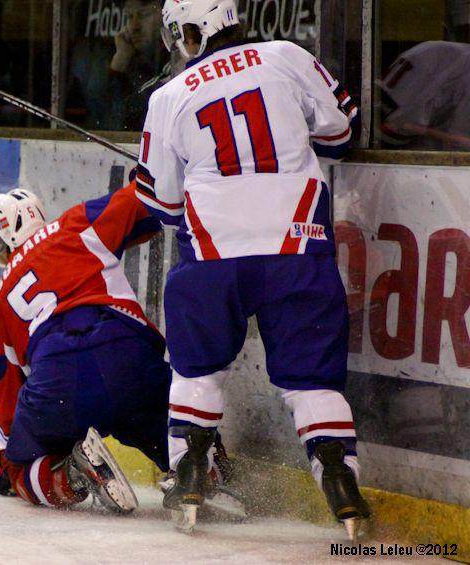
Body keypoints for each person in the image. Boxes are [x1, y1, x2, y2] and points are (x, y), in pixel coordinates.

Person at [135, 0, 370, 538]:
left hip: (213, 255)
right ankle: (339, 479)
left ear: (192, 33)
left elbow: (165, 206)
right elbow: (341, 133)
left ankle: (190, 471)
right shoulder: (286, 55)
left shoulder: (169, 97)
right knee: (312, 379)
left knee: (196, 371)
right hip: (297, 246)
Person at [0, 182, 170, 513]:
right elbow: (149, 198)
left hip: (61, 382)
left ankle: (71, 475)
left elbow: (2, 402)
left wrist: (9, 465)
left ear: (0, 241)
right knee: (177, 428)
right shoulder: (76, 223)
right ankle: (206, 471)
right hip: (129, 361)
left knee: (18, 468)